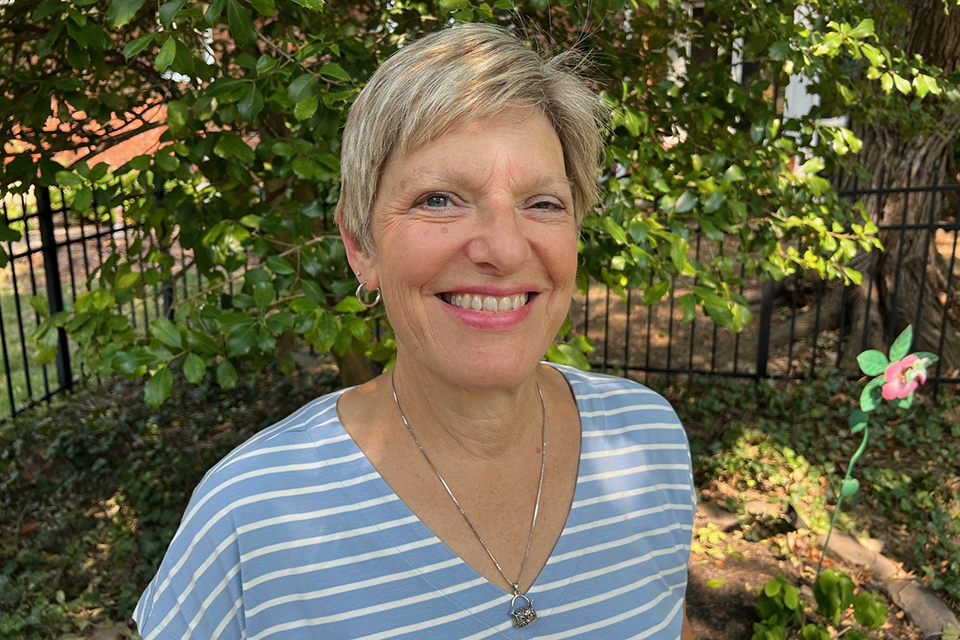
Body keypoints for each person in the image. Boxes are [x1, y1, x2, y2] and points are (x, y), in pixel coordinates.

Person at [133, 23, 696, 640]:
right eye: (439, 199)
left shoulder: (650, 442)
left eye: (543, 203)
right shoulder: (251, 516)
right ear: (361, 246)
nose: (505, 250)